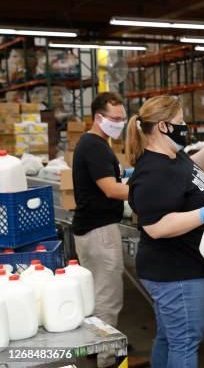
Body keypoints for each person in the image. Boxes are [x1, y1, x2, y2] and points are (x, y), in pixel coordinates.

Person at [126, 95, 204, 368]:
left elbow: (188, 172)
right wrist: (203, 214)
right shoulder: (153, 172)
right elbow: (156, 227)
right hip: (175, 271)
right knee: (184, 342)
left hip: (178, 267)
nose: (185, 127)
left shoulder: (173, 156)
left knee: (170, 338)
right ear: (162, 126)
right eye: (180, 122)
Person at [71, 91, 129, 368]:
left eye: (123, 118)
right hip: (100, 230)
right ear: (99, 117)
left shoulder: (95, 143)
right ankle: (108, 360)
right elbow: (110, 189)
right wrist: (148, 189)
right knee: (108, 299)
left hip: (89, 228)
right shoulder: (94, 145)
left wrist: (127, 177)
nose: (120, 123)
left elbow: (110, 178)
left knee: (96, 296)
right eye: (115, 119)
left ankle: (96, 348)